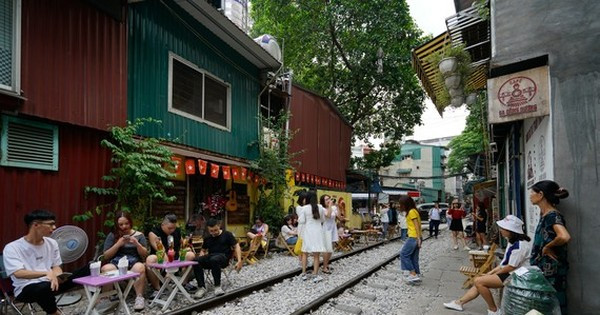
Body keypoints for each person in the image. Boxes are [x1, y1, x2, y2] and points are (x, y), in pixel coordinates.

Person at [2, 210, 90, 315]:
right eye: (50, 224)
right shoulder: (13, 247)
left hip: (52, 284)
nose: (54, 228)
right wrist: (46, 273)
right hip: (26, 289)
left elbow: (56, 266)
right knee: (42, 287)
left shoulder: (52, 243)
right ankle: (54, 313)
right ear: (36, 225)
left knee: (88, 268)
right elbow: (18, 273)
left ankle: (95, 303)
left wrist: (57, 276)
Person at [444, 215, 531, 315]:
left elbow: (511, 266)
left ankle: (493, 310)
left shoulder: (519, 246)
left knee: (479, 282)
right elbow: (504, 263)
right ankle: (459, 303)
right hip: (510, 272)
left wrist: (492, 274)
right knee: (479, 281)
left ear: (510, 230)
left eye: (503, 228)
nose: (501, 230)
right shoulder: (513, 242)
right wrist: (491, 272)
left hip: (516, 276)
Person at [529, 180, 571, 314]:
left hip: (552, 273)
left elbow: (564, 236)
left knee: (554, 306)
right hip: (545, 272)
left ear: (540, 194)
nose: (530, 195)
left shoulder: (552, 215)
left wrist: (547, 247)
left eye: (532, 192)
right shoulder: (545, 215)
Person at [101, 211, 148, 311]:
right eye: (121, 224)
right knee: (106, 268)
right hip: (117, 262)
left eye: (126, 223)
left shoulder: (139, 235)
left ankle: (139, 297)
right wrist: (118, 244)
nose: (124, 226)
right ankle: (105, 298)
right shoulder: (113, 235)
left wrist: (137, 244)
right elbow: (106, 255)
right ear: (117, 224)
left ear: (130, 222)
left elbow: (145, 254)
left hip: (134, 261)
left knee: (140, 267)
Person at [146, 214, 197, 295]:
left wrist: (186, 248)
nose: (172, 230)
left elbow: (182, 244)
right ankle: (157, 288)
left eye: (174, 228)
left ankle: (183, 283)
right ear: (163, 225)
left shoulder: (176, 231)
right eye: (169, 228)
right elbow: (161, 251)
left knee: (190, 255)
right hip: (160, 259)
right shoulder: (154, 233)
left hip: (175, 257)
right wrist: (169, 269)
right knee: (150, 259)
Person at [192, 218, 242, 298]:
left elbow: (236, 246)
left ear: (219, 226)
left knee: (214, 259)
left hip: (223, 257)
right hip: (211, 257)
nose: (213, 232)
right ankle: (201, 287)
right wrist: (201, 257)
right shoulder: (207, 237)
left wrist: (239, 261)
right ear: (208, 229)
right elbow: (203, 250)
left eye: (215, 230)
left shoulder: (227, 234)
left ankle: (217, 286)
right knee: (196, 261)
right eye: (211, 231)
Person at [298, 190, 327, 282]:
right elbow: (322, 220)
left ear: (307, 198)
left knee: (305, 253)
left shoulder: (305, 208)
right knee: (316, 255)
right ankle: (315, 275)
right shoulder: (320, 207)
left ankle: (303, 274)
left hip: (308, 232)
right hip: (318, 232)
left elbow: (301, 221)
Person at [398, 196, 422, 284]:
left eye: (401, 204)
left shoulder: (411, 212)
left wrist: (418, 238)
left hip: (413, 237)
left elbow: (416, 225)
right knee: (413, 257)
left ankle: (412, 273)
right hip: (416, 237)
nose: (400, 206)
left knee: (404, 254)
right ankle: (417, 275)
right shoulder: (414, 211)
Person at [320, 194, 338, 274]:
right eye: (326, 199)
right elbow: (328, 215)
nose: (328, 200)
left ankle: (326, 264)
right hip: (326, 228)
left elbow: (339, 216)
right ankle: (324, 267)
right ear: (323, 201)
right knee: (327, 249)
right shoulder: (322, 209)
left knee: (331, 248)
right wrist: (330, 206)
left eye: (329, 198)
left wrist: (338, 206)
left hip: (333, 227)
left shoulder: (333, 207)